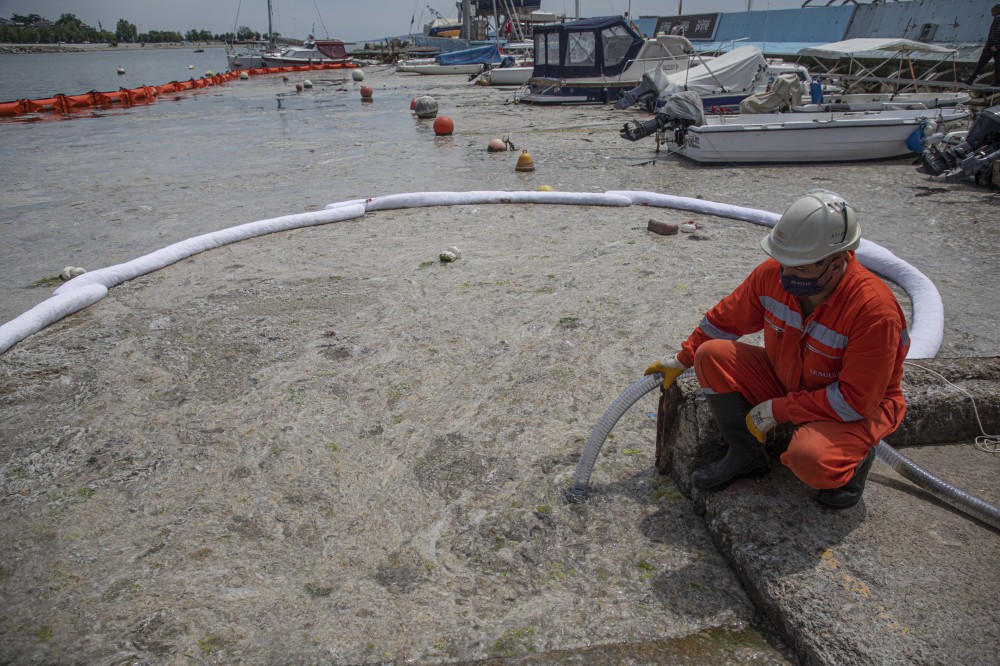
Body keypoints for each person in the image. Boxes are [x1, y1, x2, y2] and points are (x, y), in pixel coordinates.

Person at [645, 190, 909, 509]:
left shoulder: (873, 312)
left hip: (852, 407)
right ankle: (746, 455)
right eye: (784, 262)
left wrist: (778, 410)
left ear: (837, 264)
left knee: (810, 460)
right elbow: (725, 320)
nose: (786, 274)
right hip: (789, 379)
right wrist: (682, 357)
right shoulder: (775, 275)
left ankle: (855, 464)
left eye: (799, 267)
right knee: (711, 356)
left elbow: (855, 401)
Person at [966, 4, 1000, 86]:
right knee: (998, 65)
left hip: (991, 47)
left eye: (993, 11)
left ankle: (971, 79)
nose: (992, 14)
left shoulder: (998, 19)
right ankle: (997, 81)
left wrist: (994, 45)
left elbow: (995, 33)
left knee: (981, 63)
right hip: (998, 47)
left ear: (997, 11)